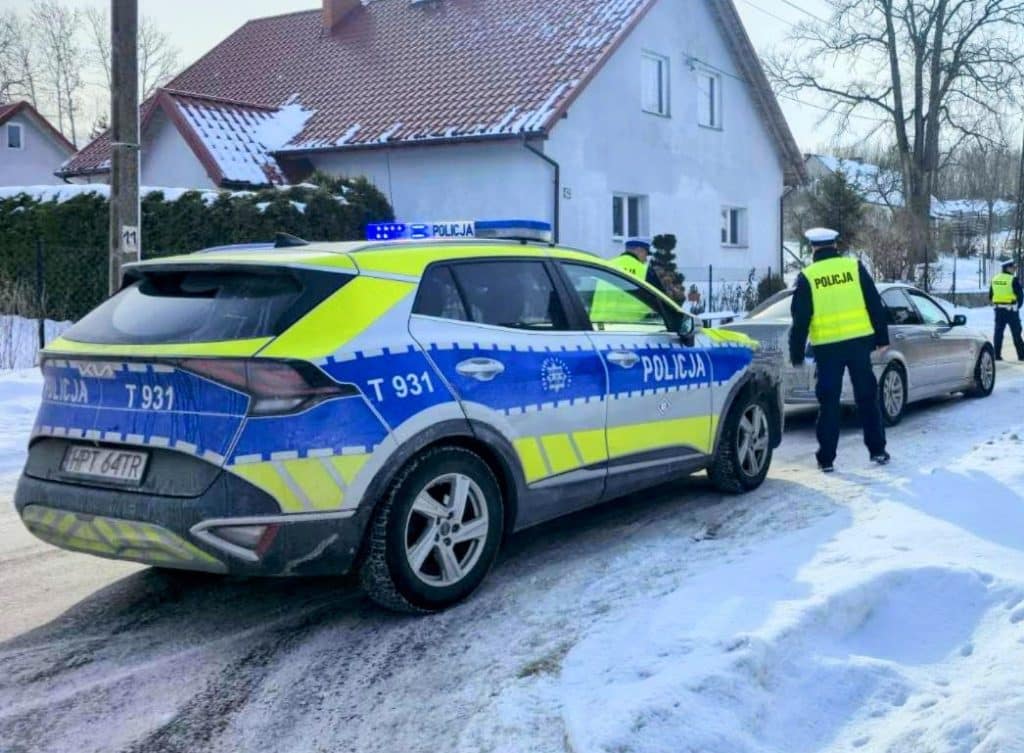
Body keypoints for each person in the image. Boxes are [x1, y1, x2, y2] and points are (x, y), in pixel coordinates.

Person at [789, 227, 890, 472]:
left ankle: (826, 459)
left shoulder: (808, 276)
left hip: (827, 348)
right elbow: (874, 303)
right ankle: (877, 450)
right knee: (867, 397)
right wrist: (882, 338)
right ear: (835, 245)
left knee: (829, 403)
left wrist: (796, 353)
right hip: (859, 344)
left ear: (813, 247)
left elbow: (800, 318)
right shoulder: (854, 268)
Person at [990, 258, 1024, 361]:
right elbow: (1020, 296)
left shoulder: (994, 279)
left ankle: (997, 355)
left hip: (999, 311)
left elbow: (991, 295)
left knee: (998, 333)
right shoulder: (1012, 280)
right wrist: (1017, 307)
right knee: (1016, 333)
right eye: (1013, 267)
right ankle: (1022, 355)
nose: (1014, 269)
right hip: (1011, 311)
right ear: (1007, 268)